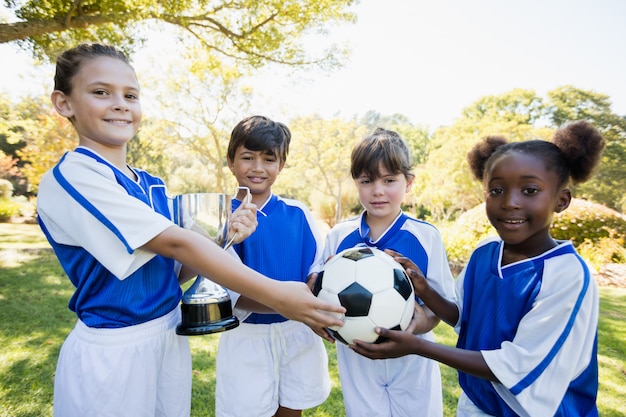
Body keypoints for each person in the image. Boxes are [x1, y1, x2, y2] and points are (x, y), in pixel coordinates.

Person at [36, 43, 344, 417]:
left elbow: (177, 273)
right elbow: (179, 244)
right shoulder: (73, 175)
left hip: (168, 335)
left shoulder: (151, 184)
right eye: (101, 92)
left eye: (130, 95)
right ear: (64, 102)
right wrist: (279, 297)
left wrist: (224, 235)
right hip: (115, 346)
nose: (120, 104)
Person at [352, 121, 605, 417]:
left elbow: (515, 366)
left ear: (561, 200)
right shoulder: (485, 253)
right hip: (478, 401)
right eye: (497, 190)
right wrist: (423, 288)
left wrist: (418, 347)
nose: (510, 202)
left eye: (529, 190)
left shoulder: (567, 274)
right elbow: (461, 316)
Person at [321, 128, 456, 417]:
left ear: (408, 183)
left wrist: (419, 326)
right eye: (367, 181)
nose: (378, 190)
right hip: (356, 354)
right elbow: (319, 291)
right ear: (356, 183)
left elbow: (445, 306)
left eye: (389, 180)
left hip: (413, 355)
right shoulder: (339, 236)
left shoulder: (425, 236)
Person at [215, 115, 331, 417]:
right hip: (246, 336)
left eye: (269, 159)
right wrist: (288, 304)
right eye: (247, 157)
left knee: (292, 407)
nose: (257, 167)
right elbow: (230, 292)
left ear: (281, 164)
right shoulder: (221, 218)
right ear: (230, 161)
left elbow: (314, 271)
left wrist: (316, 292)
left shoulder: (298, 213)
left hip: (297, 330)